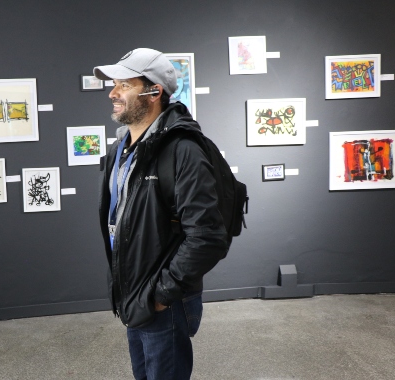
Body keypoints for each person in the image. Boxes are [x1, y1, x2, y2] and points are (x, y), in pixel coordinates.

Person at [94, 48, 229, 379]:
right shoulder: (119, 149)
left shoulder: (184, 150)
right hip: (133, 290)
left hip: (162, 298)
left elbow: (208, 236)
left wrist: (161, 295)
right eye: (113, 84)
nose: (113, 92)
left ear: (154, 92)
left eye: (124, 84)